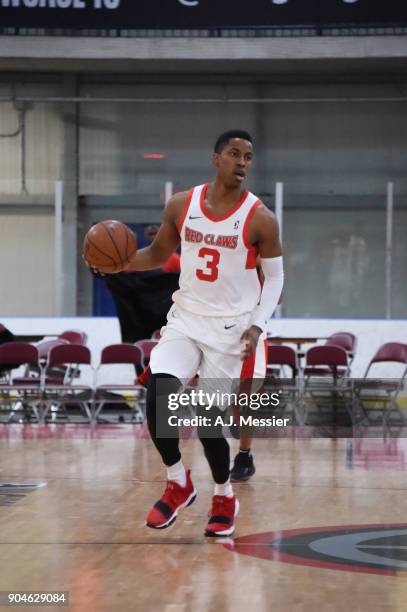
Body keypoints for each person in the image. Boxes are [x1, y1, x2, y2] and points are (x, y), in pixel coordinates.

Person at [93, 130, 284, 536]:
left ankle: (223, 494)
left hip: (231, 329)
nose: (243, 162)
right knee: (158, 394)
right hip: (185, 318)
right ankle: (178, 481)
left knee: (209, 420)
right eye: (235, 154)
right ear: (216, 159)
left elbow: (276, 278)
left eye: (248, 157)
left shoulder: (261, 218)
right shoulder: (183, 204)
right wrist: (119, 264)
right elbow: (159, 254)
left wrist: (258, 323)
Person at [103, 225, 181, 345]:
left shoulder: (174, 259)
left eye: (156, 234)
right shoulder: (138, 259)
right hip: (140, 312)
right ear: (146, 237)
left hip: (167, 311)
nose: (153, 237)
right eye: (151, 234)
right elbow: (123, 280)